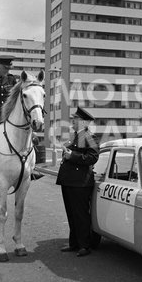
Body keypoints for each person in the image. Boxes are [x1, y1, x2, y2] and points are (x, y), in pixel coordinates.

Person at [56, 106, 99, 257]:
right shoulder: (75, 136)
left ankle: (84, 246)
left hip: (80, 183)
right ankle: (74, 243)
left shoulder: (89, 137)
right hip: (69, 181)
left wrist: (72, 156)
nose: (73, 121)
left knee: (80, 215)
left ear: (83, 123)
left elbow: (93, 157)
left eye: (75, 119)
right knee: (71, 214)